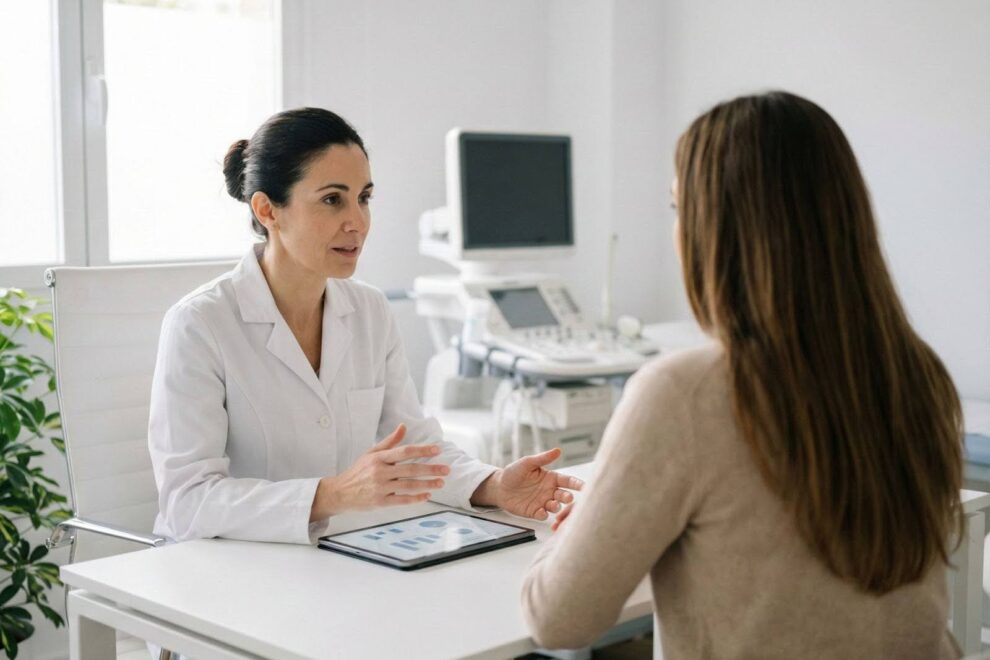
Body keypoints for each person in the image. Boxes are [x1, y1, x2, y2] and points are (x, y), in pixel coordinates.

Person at [521, 91, 964, 659]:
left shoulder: (684, 392)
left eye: (680, 209)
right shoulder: (919, 375)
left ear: (717, 229)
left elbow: (557, 621)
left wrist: (576, 527)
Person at [148, 108, 583, 545]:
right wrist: (332, 494)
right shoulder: (200, 324)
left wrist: (493, 487)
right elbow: (187, 500)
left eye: (364, 197)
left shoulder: (370, 310)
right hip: (223, 568)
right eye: (333, 199)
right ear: (268, 210)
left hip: (334, 555)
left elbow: (416, 447)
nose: (357, 222)